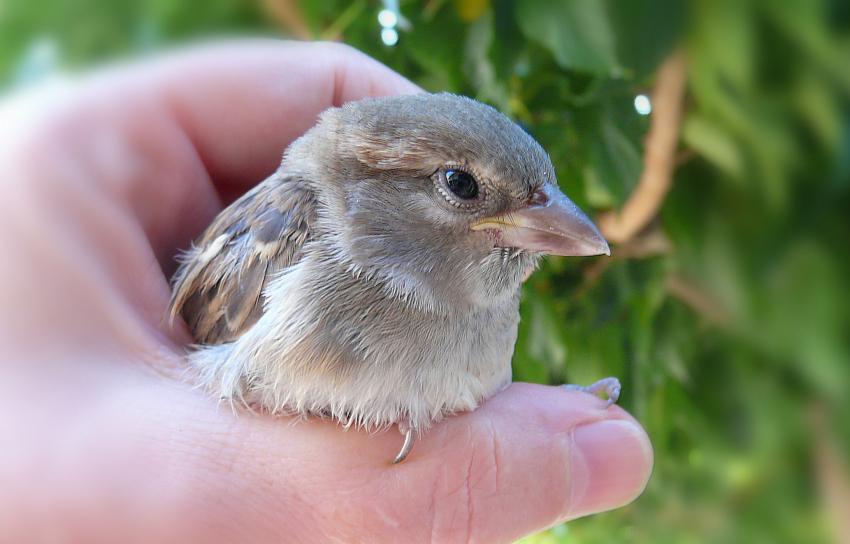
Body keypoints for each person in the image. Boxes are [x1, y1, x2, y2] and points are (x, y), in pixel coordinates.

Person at [0, 40, 653, 542]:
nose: (552, 228)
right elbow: (186, 363)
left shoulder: (491, 305)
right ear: (363, 184)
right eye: (461, 187)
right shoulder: (292, 224)